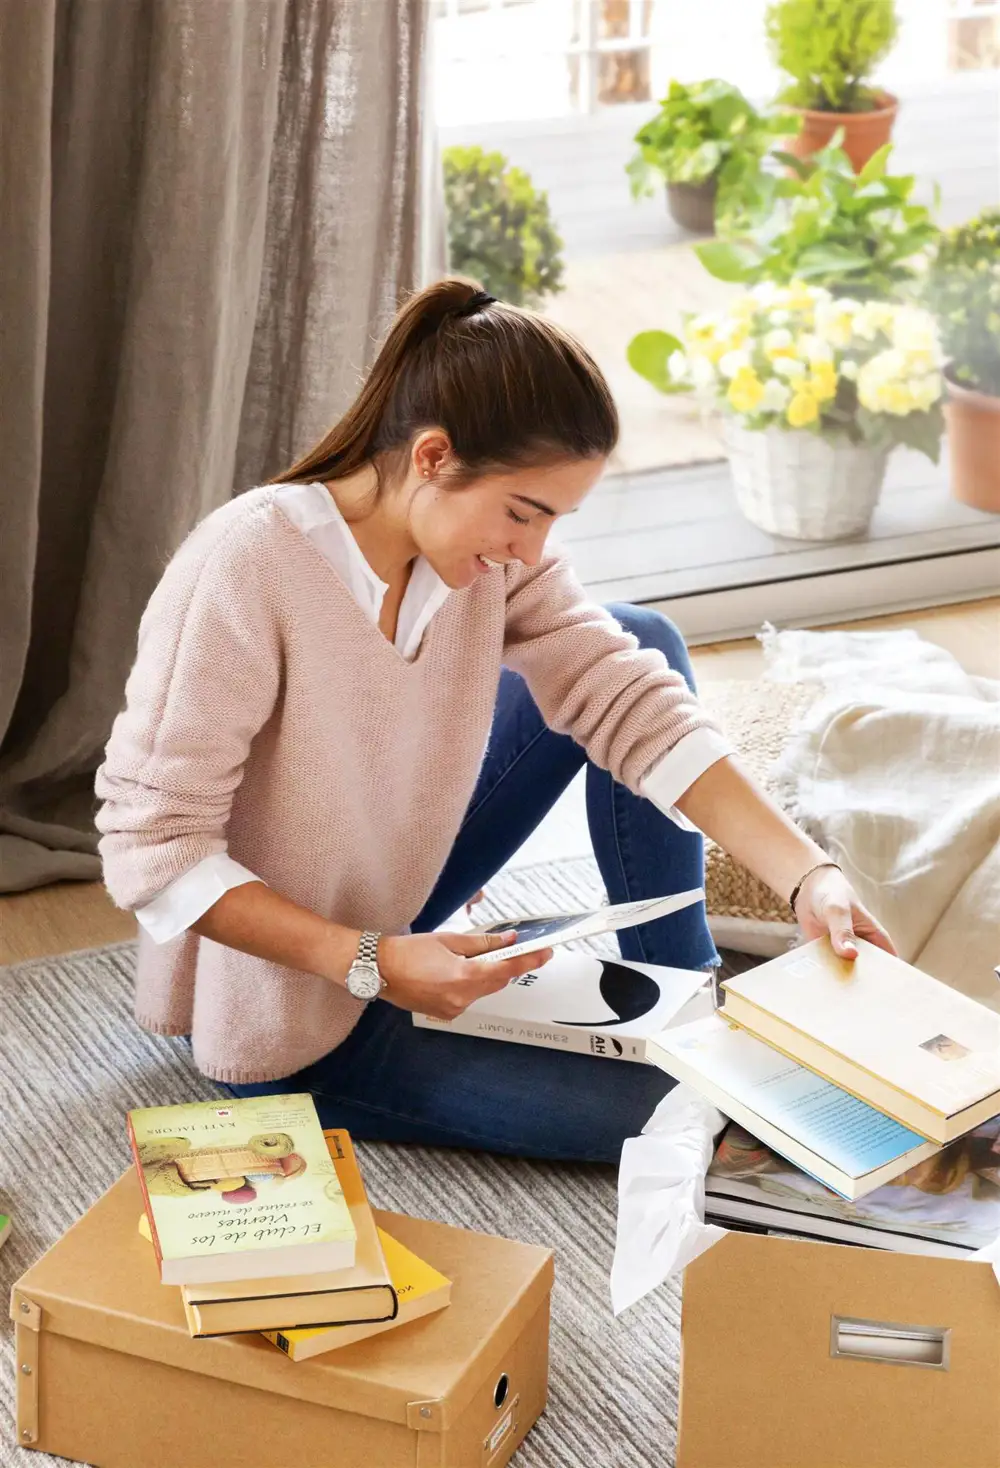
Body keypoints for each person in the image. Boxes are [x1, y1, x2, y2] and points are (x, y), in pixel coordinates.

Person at [96, 278, 894, 1164]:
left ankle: (680, 982)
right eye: (524, 512)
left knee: (637, 640)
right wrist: (375, 963)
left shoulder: (487, 560)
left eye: (554, 519)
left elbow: (623, 693)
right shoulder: (245, 568)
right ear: (433, 456)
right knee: (703, 1114)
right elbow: (154, 848)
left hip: (397, 884)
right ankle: (661, 1048)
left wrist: (807, 876)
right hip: (295, 993)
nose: (533, 550)